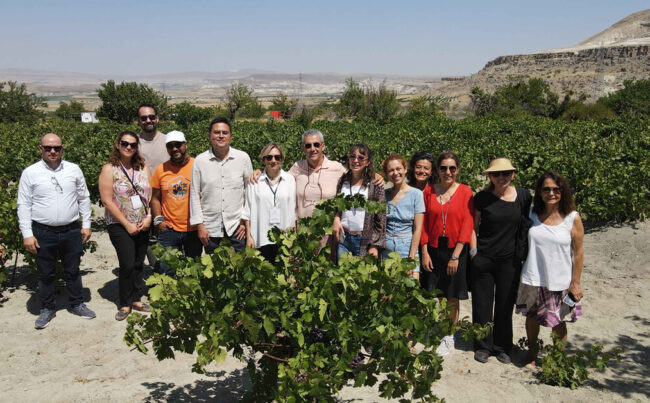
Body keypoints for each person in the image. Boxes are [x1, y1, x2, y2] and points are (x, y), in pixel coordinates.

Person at [17, 133, 96, 329]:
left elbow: (84, 198)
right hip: (43, 231)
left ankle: (77, 303)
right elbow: (24, 204)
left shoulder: (73, 169)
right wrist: (27, 233)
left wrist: (86, 224)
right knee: (45, 273)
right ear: (40, 149)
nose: (52, 151)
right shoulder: (30, 172)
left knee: (73, 270)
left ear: (62, 149)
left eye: (57, 148)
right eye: (48, 148)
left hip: (70, 230)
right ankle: (47, 308)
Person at [516, 171, 584, 366]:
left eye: (556, 189)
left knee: (558, 322)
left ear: (563, 191)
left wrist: (576, 282)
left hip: (560, 279)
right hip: (533, 276)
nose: (551, 193)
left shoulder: (572, 217)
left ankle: (556, 358)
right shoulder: (532, 214)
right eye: (546, 189)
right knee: (531, 318)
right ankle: (532, 354)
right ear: (539, 192)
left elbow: (578, 253)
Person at [471, 158, 532, 364]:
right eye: (496, 174)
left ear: (513, 174)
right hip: (485, 258)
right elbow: (473, 227)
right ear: (490, 176)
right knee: (482, 303)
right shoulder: (482, 198)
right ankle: (482, 345)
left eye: (505, 173)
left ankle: (502, 346)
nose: (501, 177)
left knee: (505, 304)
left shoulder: (523, 196)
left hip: (510, 261)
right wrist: (474, 253)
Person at [420, 151, 474, 356]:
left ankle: (449, 335)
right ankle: (442, 328)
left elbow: (468, 224)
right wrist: (424, 251)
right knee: (438, 293)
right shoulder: (429, 191)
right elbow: (423, 223)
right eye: (443, 168)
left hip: (454, 249)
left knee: (452, 295)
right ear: (437, 170)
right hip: (433, 248)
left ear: (458, 170)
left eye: (452, 168)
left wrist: (456, 256)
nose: (448, 172)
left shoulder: (465, 191)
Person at [99, 131, 152, 321]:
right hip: (120, 225)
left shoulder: (143, 168)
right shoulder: (109, 169)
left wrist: (150, 217)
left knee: (139, 263)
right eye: (125, 143)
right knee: (127, 263)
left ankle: (137, 299)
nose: (128, 147)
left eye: (133, 144)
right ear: (117, 145)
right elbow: (107, 201)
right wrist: (127, 224)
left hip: (142, 223)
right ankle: (124, 303)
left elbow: (150, 196)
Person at [190, 117, 253, 253]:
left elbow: (249, 191)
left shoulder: (243, 158)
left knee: (238, 268)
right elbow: (194, 194)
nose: (221, 136)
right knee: (214, 270)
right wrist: (200, 225)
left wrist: (245, 220)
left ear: (231, 136)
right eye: (216, 132)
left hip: (237, 227)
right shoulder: (200, 161)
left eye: (224, 133)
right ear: (209, 135)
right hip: (210, 228)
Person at [150, 130, 202, 276]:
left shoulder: (198, 166)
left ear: (186, 145)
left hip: (193, 229)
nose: (174, 149)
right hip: (169, 230)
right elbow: (155, 198)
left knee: (194, 270)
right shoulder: (161, 170)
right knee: (168, 270)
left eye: (178, 145)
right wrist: (158, 220)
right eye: (170, 146)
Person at [242, 143, 297, 262]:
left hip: (283, 237)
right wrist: (249, 237)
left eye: (277, 157)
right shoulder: (255, 181)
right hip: (260, 237)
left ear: (281, 159)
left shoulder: (290, 180)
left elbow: (293, 210)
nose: (273, 160)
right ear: (263, 160)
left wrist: (292, 237)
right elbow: (248, 210)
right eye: (269, 157)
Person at [332, 144, 386, 259]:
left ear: (368, 162)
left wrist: (374, 245)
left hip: (364, 241)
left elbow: (381, 218)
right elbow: (338, 206)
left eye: (361, 158)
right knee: (343, 275)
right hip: (344, 239)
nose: (356, 160)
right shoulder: (343, 181)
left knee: (362, 276)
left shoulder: (375, 185)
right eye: (352, 156)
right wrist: (336, 218)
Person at [382, 154, 425, 279]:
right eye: (391, 170)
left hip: (407, 248)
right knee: (387, 294)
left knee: (410, 291)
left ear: (405, 169)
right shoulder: (384, 195)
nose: (395, 173)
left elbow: (417, 229)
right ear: (386, 174)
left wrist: (411, 258)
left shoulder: (416, 194)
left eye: (398, 169)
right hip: (387, 249)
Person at [137, 103, 167, 272]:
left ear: (157, 118)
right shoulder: (133, 143)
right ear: (139, 121)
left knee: (165, 235)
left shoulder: (167, 141)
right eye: (143, 118)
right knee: (146, 237)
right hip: (141, 200)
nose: (148, 120)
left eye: (151, 117)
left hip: (166, 198)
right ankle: (156, 270)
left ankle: (164, 271)